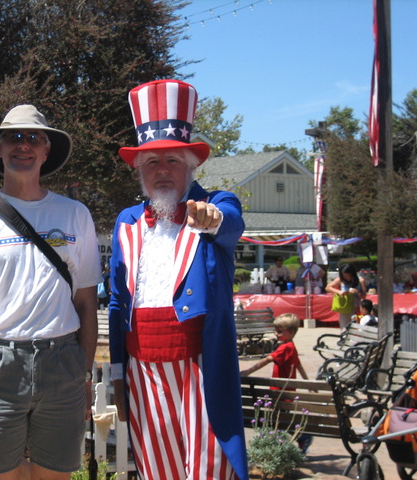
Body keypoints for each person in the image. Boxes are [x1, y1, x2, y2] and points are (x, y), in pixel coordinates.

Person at [0, 104, 102, 479]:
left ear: (46, 150)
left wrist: (83, 376)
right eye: (13, 136)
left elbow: (86, 304)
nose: (23, 144)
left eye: (34, 137)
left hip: (62, 363)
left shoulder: (75, 214)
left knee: (55, 476)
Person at [109, 80, 248, 480]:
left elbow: (229, 224)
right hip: (142, 369)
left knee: (208, 469)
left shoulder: (216, 203)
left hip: (199, 366)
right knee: (157, 470)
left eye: (172, 160)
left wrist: (211, 218)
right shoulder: (127, 221)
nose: (162, 171)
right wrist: (117, 373)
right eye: (152, 162)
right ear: (140, 171)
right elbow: (117, 301)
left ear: (191, 166)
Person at [240, 313, 312, 453]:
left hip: (280, 391)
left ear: (291, 332)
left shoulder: (285, 348)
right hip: (286, 390)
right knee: (280, 418)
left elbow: (268, 359)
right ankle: (293, 439)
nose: (276, 333)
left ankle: (301, 437)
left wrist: (249, 370)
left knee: (278, 419)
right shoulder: (291, 346)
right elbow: (298, 365)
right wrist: (307, 383)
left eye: (279, 331)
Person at [325, 263, 366, 331]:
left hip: (357, 309)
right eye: (344, 276)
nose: (346, 277)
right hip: (345, 309)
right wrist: (339, 292)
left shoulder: (360, 280)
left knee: (356, 329)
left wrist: (357, 292)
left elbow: (364, 296)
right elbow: (328, 288)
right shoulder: (340, 280)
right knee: (344, 329)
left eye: (348, 275)